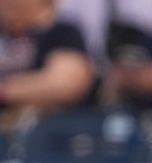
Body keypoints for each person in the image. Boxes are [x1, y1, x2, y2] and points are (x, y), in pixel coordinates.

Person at [0, 0, 94, 130]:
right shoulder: (5, 38)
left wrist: (6, 92)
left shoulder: (62, 33)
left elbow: (66, 84)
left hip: (45, 135)